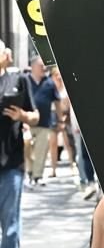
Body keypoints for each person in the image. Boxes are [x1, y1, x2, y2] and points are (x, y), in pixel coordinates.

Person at [0, 42, 39, 248]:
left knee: (10, 223)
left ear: (6, 56)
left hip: (11, 163)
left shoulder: (19, 79)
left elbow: (36, 116)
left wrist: (22, 117)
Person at [25, 56, 60, 187]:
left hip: (45, 123)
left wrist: (60, 119)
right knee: (26, 147)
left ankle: (37, 175)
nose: (44, 68)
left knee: (41, 150)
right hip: (26, 123)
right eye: (41, 65)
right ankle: (29, 171)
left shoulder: (49, 82)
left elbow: (57, 102)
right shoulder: (25, 80)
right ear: (33, 66)